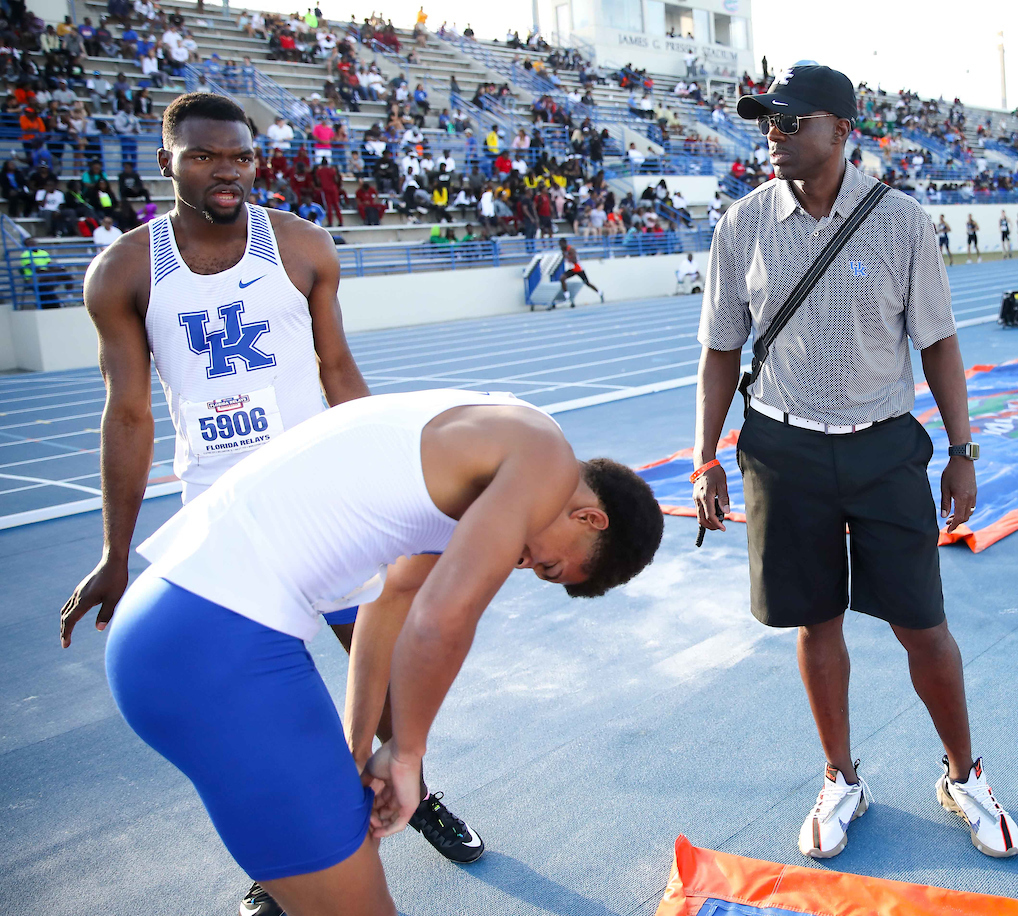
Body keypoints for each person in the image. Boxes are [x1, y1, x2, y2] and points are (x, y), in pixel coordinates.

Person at [57, 94, 485, 916]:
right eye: (208, 156)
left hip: (323, 489)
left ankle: (412, 787)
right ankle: (282, 855)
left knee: (379, 655)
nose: (229, 171)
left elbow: (340, 374)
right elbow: (130, 413)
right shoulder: (124, 269)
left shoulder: (297, 244)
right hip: (220, 502)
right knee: (255, 698)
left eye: (242, 158)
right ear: (167, 162)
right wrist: (117, 554)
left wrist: (398, 486)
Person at [103, 388, 663, 916]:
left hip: (174, 625)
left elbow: (390, 599)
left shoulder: (494, 437)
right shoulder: (547, 460)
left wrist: (354, 749)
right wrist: (406, 755)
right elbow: (442, 619)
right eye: (548, 565)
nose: (523, 566)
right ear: (590, 518)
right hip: (218, 644)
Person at [693, 63, 1018, 862]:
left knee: (924, 626)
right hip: (782, 447)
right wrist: (706, 457)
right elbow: (719, 351)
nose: (774, 134)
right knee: (817, 620)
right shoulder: (739, 225)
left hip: (882, 448)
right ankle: (841, 776)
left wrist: (962, 451)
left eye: (792, 121)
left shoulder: (902, 222)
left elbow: (939, 342)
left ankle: (962, 772)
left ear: (842, 131)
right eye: (768, 121)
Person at [556, 237, 603, 306]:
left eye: (561, 244)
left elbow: (574, 260)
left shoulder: (571, 249)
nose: (560, 246)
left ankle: (600, 292)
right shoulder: (563, 250)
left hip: (579, 269)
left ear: (565, 243)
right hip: (572, 269)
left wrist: (567, 256)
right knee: (562, 278)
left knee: (587, 283)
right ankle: (567, 297)